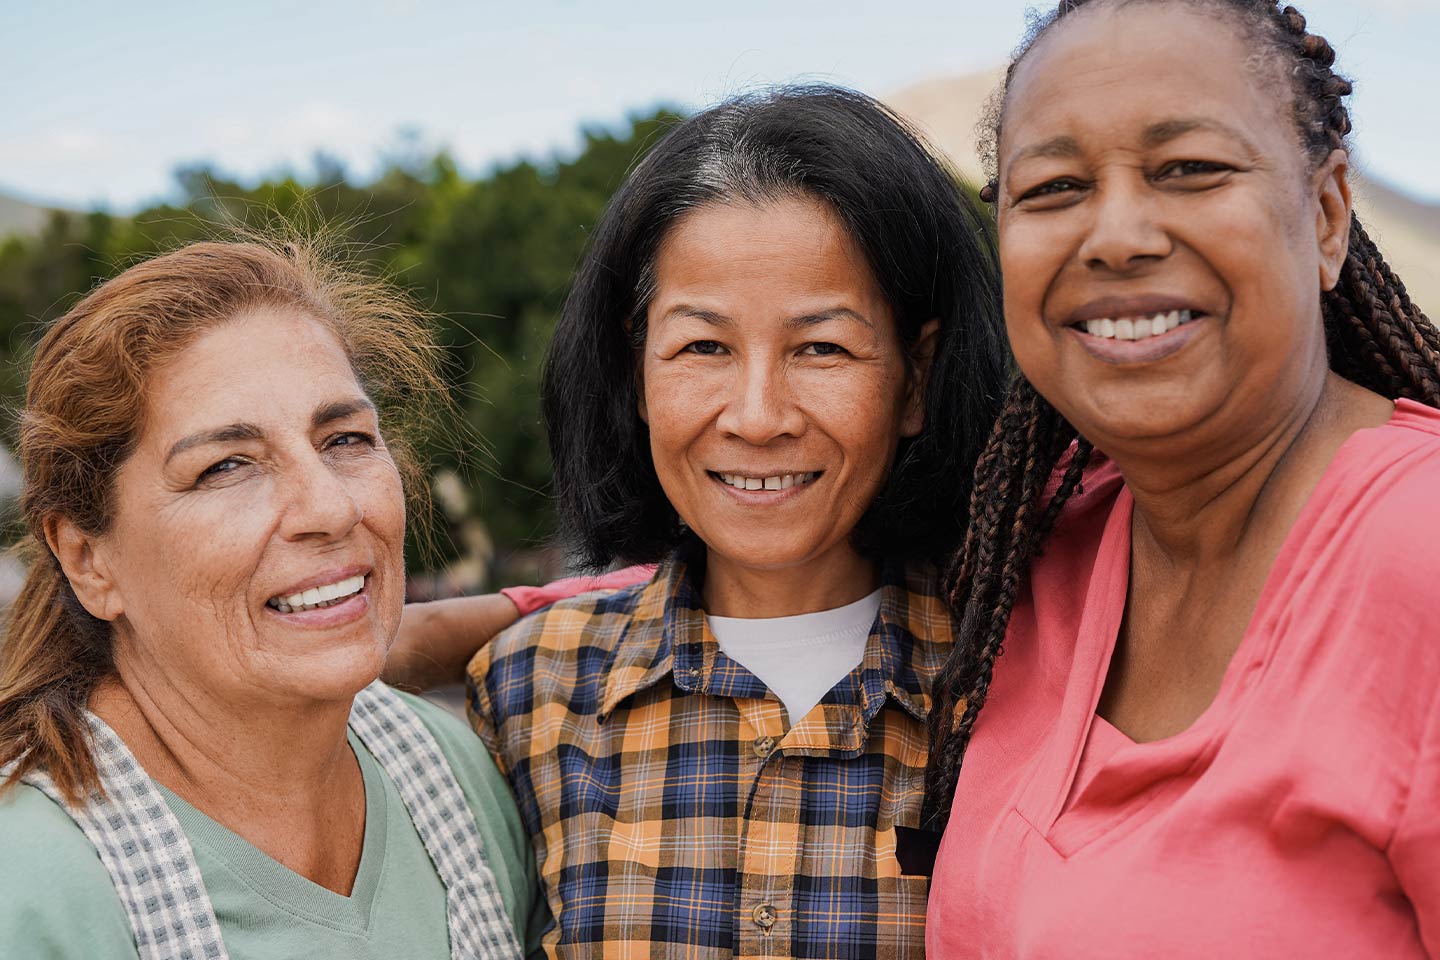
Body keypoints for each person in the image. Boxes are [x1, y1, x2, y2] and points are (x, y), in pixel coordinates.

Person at [922, 1, 1440, 955]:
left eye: (1189, 169)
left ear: (1326, 216)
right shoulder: (1037, 552)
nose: (1116, 235)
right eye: (1053, 187)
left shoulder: (1420, 550)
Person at [467, 86, 1007, 957]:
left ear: (915, 378)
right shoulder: (528, 691)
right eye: (703, 347)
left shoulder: (1018, 685)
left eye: (821, 347)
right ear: (635, 368)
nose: (758, 417)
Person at [0, 240, 546, 959]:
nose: (329, 506)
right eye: (225, 466)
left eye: (345, 438)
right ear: (87, 558)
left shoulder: (457, 775)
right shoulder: (33, 884)